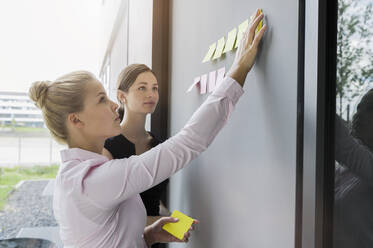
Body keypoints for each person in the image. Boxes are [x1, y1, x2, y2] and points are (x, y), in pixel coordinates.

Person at [28, 9, 266, 248]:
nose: (113, 105)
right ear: (76, 120)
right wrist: (239, 69)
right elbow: (187, 143)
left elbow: (106, 238)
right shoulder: (90, 182)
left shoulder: (83, 174)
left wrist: (148, 236)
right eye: (101, 99)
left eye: (155, 88)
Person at [103, 64, 169, 248]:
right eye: (142, 88)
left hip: (155, 241)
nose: (151, 94)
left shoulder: (158, 145)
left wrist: (172, 220)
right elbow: (110, 217)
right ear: (121, 96)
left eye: (154, 88)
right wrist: (163, 222)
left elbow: (154, 200)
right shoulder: (106, 147)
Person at [334, 90, 373, 248]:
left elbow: (343, 145)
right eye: (359, 108)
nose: (359, 114)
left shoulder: (365, 165)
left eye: (370, 109)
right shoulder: (340, 170)